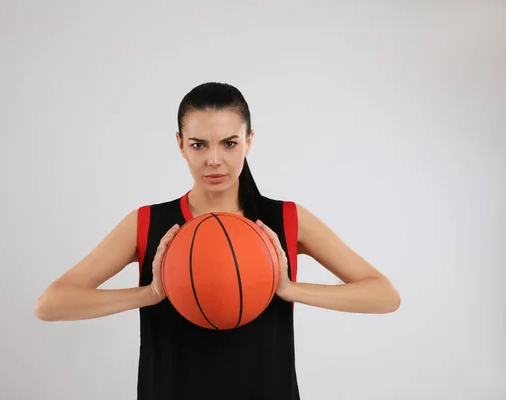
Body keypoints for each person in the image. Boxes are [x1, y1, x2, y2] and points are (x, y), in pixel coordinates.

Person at [34, 82, 401, 400]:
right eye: (198, 145)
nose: (214, 160)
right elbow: (51, 304)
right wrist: (148, 294)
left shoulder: (286, 220)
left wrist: (290, 289)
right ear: (180, 145)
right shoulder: (147, 223)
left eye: (229, 143)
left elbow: (384, 295)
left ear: (249, 141)